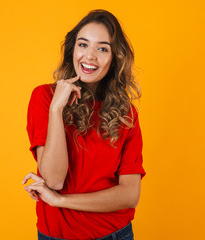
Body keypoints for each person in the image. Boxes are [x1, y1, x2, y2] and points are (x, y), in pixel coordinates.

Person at [22, 9, 146, 240]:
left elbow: (130, 194)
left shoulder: (126, 114)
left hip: (114, 234)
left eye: (102, 48)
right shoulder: (45, 98)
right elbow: (54, 179)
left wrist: (60, 201)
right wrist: (57, 109)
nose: (89, 56)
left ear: (114, 58)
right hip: (56, 236)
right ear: (72, 50)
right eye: (83, 44)